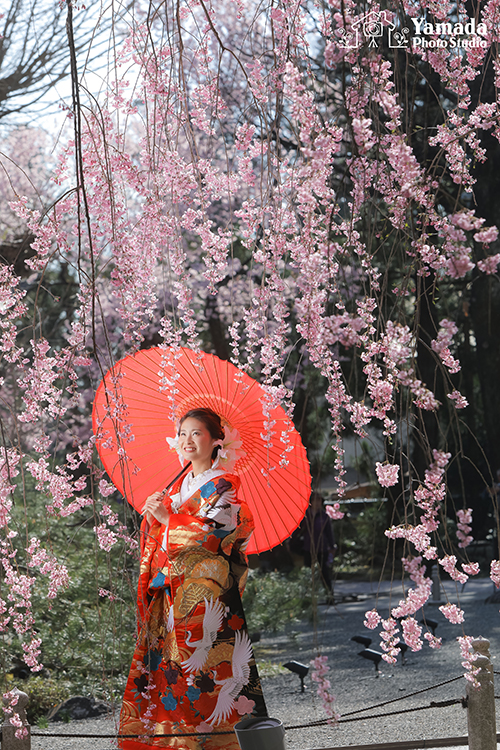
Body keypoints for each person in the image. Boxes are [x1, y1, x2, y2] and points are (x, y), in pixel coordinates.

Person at [119, 408, 267, 749]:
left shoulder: (223, 486)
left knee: (200, 677)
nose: (187, 440)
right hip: (169, 595)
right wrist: (155, 519)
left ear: (217, 442)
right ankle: (168, 743)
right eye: (183, 433)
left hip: (203, 602)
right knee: (165, 677)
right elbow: (161, 540)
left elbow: (213, 540)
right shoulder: (175, 489)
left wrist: (168, 520)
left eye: (197, 433)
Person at [301, 492, 337, 601]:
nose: (317, 503)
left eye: (319, 501)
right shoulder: (305, 515)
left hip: (322, 548)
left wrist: (332, 546)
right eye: (315, 501)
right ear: (311, 502)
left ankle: (329, 595)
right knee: (308, 573)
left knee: (324, 572)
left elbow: (329, 532)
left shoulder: (324, 516)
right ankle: (308, 598)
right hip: (308, 547)